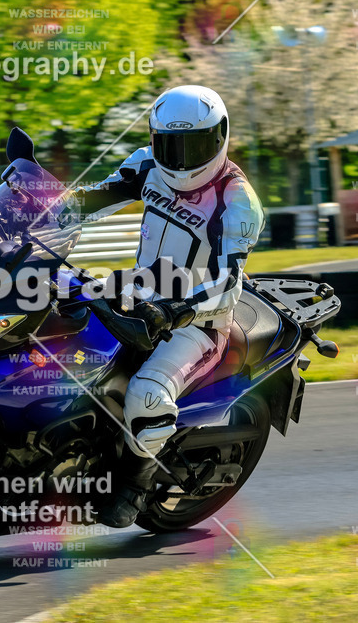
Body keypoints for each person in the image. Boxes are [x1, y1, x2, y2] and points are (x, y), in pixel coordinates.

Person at [72, 85, 265, 528]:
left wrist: (178, 311)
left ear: (219, 138)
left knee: (147, 395)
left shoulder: (237, 202)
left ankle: (134, 486)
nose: (180, 160)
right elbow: (93, 200)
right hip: (138, 291)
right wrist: (30, 210)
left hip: (199, 322)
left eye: (193, 146)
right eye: (169, 146)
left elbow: (228, 283)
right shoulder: (146, 164)